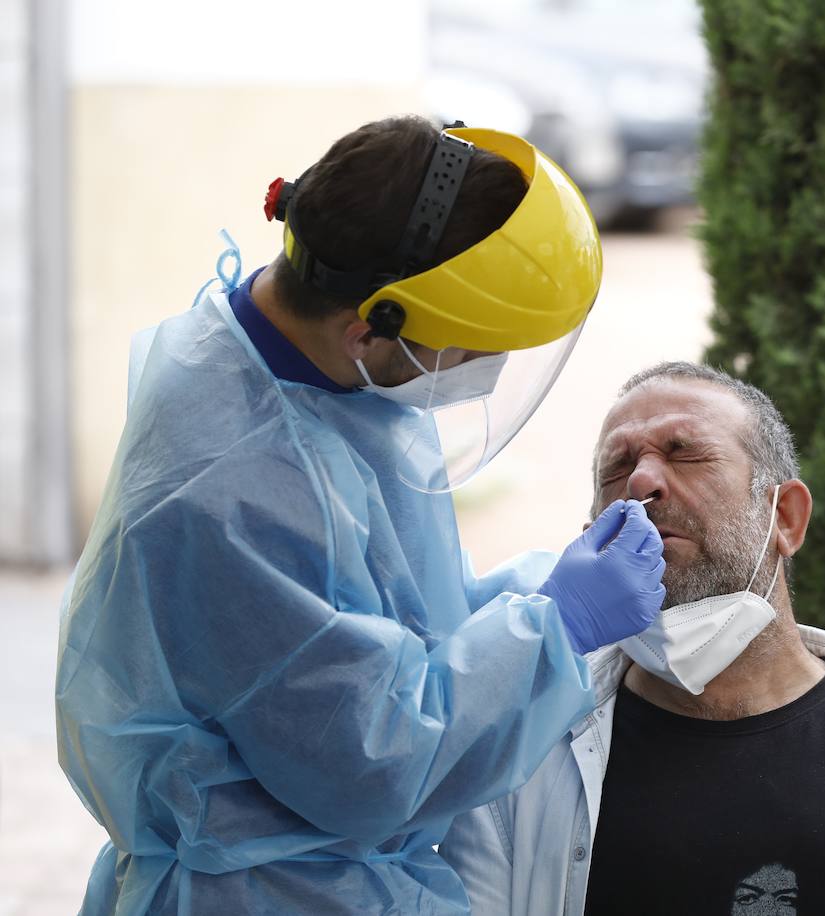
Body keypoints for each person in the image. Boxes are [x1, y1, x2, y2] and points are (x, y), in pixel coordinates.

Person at [55, 115, 666, 915]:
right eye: (474, 349)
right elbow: (373, 756)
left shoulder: (305, 368)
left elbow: (369, 621)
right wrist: (554, 627)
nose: (490, 370)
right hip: (268, 889)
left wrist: (533, 593)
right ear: (368, 330)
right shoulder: (228, 487)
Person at [442, 361, 825, 915]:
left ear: (785, 518)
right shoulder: (525, 768)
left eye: (685, 453)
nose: (642, 482)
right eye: (616, 468)